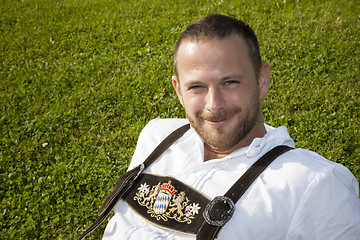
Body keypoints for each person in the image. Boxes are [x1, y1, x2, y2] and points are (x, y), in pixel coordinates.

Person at [102, 14, 360, 239]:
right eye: (197, 87)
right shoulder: (156, 136)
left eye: (230, 82)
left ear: (262, 80)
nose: (214, 105)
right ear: (178, 90)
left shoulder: (315, 184)